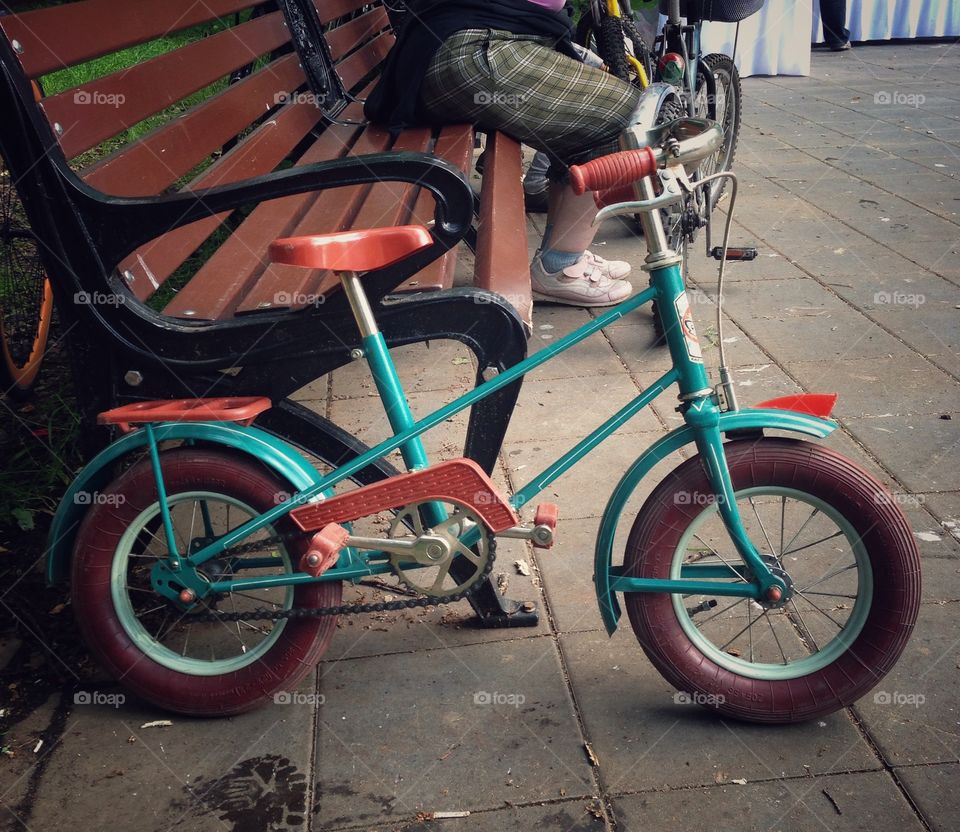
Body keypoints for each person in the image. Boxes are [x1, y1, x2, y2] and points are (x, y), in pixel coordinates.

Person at [365, 0, 644, 308]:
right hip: (472, 51)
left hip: (470, 44)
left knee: (594, 116)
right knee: (625, 116)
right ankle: (560, 268)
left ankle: (562, 257)